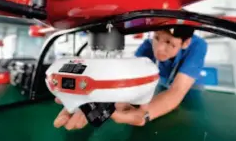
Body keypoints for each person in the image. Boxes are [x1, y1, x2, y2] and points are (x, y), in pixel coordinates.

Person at [53, 26, 208, 130]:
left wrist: (144, 116)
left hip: (192, 88)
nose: (159, 48)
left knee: (187, 118)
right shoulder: (148, 45)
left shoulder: (197, 46)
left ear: (185, 43)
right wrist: (102, 97)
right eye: (157, 38)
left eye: (169, 43)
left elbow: (177, 91)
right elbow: (127, 79)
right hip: (162, 82)